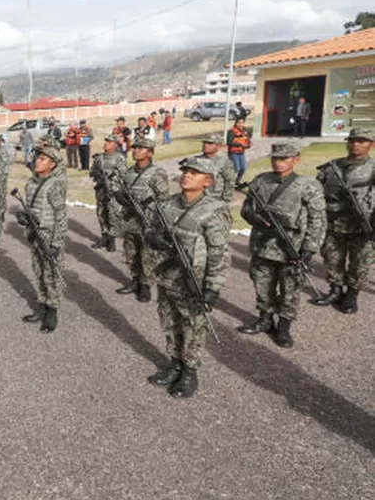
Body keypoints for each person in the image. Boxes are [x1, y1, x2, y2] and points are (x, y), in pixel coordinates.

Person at [145, 157, 229, 398]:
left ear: (208, 181)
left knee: (192, 325)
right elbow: (151, 228)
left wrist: (213, 286)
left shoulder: (215, 210)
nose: (187, 175)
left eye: (195, 173)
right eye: (185, 171)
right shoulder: (168, 204)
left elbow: (219, 252)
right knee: (169, 321)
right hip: (167, 275)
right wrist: (154, 238)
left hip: (195, 281)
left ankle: (190, 371)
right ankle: (175, 364)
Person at [239, 143, 325, 347]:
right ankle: (265, 319)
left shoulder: (308, 185)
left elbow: (318, 219)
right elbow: (246, 209)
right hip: (263, 245)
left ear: (296, 159)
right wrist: (255, 218)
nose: (278, 162)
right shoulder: (261, 181)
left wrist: (309, 249)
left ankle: (284, 326)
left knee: (290, 289)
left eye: (284, 158)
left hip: (292, 248)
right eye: (275, 158)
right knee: (262, 284)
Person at [310, 128, 375, 314]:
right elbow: (315, 194)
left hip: (363, 227)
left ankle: (352, 296)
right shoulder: (331, 167)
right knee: (332, 260)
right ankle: (335, 291)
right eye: (353, 140)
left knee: (360, 263)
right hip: (333, 224)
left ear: (371, 144)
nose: (356, 144)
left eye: (362, 141)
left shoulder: (373, 168)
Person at [17, 142, 68, 333]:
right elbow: (30, 207)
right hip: (34, 234)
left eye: (43, 159)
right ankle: (42, 305)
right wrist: (23, 216)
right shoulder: (30, 183)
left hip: (49, 234)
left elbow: (61, 215)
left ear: (52, 164)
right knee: (38, 270)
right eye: (37, 158)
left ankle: (52, 310)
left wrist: (57, 242)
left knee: (51, 274)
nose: (38, 161)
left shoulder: (55, 185)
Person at [114, 138, 169, 303]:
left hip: (148, 220)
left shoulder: (157, 173)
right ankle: (135, 279)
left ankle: (145, 285)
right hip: (131, 220)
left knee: (147, 254)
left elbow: (163, 199)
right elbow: (120, 189)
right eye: (135, 148)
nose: (136, 150)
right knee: (130, 252)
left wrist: (154, 218)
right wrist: (120, 197)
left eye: (141, 148)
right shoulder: (129, 172)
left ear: (150, 153)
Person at [89, 133, 127, 252]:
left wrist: (112, 181)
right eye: (106, 141)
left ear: (115, 145)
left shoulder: (119, 158)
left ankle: (112, 239)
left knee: (112, 215)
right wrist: (96, 174)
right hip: (100, 190)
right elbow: (91, 172)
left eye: (109, 142)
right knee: (101, 213)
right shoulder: (99, 157)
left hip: (113, 191)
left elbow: (123, 175)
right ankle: (104, 237)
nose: (106, 143)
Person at [227, 117, 250, 187]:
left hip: (241, 152)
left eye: (242, 123)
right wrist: (240, 144)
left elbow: (247, 140)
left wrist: (248, 145)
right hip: (233, 153)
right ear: (236, 123)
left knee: (243, 168)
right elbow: (229, 142)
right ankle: (229, 183)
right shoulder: (231, 131)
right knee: (236, 168)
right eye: (239, 122)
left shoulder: (244, 131)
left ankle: (237, 181)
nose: (240, 124)